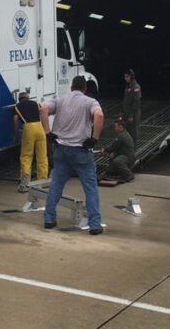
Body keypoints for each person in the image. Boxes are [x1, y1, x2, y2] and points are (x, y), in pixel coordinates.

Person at [40, 76, 105, 234]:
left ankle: (49, 219)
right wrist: (94, 138)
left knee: (56, 185)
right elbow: (99, 116)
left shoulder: (60, 99)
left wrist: (48, 133)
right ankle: (95, 225)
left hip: (61, 149)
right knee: (90, 188)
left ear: (71, 87)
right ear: (85, 89)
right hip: (81, 150)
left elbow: (43, 109)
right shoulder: (89, 102)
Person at [13, 92, 48, 192]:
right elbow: (43, 113)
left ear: (19, 99)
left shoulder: (17, 106)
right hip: (40, 128)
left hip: (28, 129)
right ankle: (42, 183)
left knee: (26, 157)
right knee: (42, 157)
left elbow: (15, 120)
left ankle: (25, 185)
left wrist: (15, 134)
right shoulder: (36, 103)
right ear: (28, 98)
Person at [100, 119, 135, 183]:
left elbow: (113, 147)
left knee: (117, 161)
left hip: (127, 157)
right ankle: (113, 174)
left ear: (121, 126)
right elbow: (117, 148)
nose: (114, 128)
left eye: (115, 126)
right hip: (124, 156)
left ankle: (129, 175)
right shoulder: (124, 134)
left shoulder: (121, 136)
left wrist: (104, 149)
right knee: (109, 170)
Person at [122, 69, 141, 143]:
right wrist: (122, 112)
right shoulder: (128, 87)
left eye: (127, 77)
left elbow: (136, 102)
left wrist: (131, 115)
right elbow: (125, 101)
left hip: (133, 114)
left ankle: (133, 150)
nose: (125, 78)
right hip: (127, 113)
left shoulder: (136, 87)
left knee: (133, 133)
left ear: (131, 77)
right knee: (127, 132)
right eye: (125, 77)